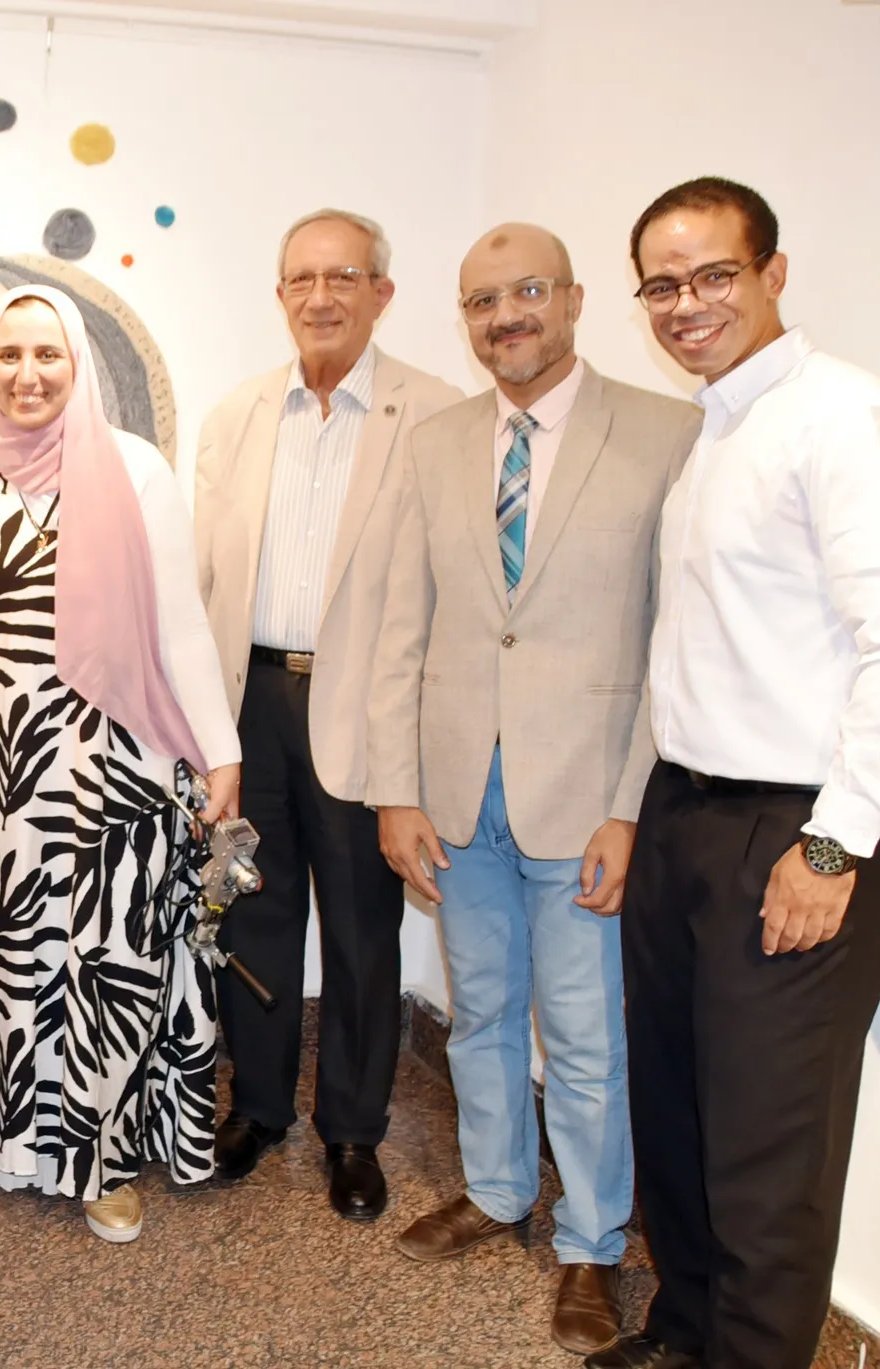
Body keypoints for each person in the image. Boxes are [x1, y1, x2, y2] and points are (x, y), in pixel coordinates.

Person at [593, 178, 880, 1369]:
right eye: (661, 284)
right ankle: (684, 1335)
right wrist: (640, 811)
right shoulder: (715, 431)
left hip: (799, 827)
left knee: (764, 1151)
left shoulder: (840, 416)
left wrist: (831, 846)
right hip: (688, 811)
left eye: (713, 275)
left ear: (771, 274)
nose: (684, 304)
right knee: (679, 1110)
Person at [368, 224, 701, 1356]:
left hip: (588, 798)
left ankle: (592, 1242)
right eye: (480, 301)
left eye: (526, 292)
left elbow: (672, 641)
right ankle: (499, 1188)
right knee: (480, 1014)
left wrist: (630, 805)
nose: (504, 316)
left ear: (572, 298)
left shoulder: (665, 433)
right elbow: (404, 627)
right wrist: (395, 790)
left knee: (587, 1039)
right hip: (459, 795)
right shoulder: (436, 444)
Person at [0, 285, 242, 1244]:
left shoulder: (134, 468)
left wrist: (221, 750)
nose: (28, 374)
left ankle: (103, 1160)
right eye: (9, 354)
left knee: (101, 960)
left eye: (47, 354)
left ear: (78, 362)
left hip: (110, 761)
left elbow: (180, 621)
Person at [193, 210, 463, 1216]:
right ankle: (258, 1106)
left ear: (381, 293)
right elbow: (201, 581)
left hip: (366, 704)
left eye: (342, 276)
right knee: (250, 912)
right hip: (250, 704)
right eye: (301, 279)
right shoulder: (237, 415)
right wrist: (201, 731)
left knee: (360, 930)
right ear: (279, 296)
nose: (320, 297)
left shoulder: (435, 416)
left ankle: (352, 1130)